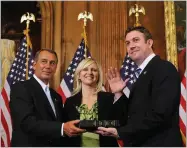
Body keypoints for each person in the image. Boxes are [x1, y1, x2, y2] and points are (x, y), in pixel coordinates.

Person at [96, 26, 183, 146]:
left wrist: (121, 132)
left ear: (149, 42)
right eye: (127, 43)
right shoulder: (140, 73)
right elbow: (134, 115)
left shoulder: (164, 68)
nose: (131, 46)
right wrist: (118, 93)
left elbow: (160, 115)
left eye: (136, 40)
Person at [9, 49, 85, 147]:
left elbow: (60, 124)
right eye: (44, 61)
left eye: (52, 63)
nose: (48, 66)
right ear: (34, 64)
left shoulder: (56, 96)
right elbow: (27, 122)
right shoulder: (21, 88)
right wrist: (62, 128)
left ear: (55, 67)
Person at [63, 58, 128, 147]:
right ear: (79, 75)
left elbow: (123, 121)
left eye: (94, 70)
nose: (89, 72)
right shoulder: (70, 102)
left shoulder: (109, 98)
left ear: (98, 75)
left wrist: (118, 92)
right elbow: (66, 131)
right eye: (85, 69)